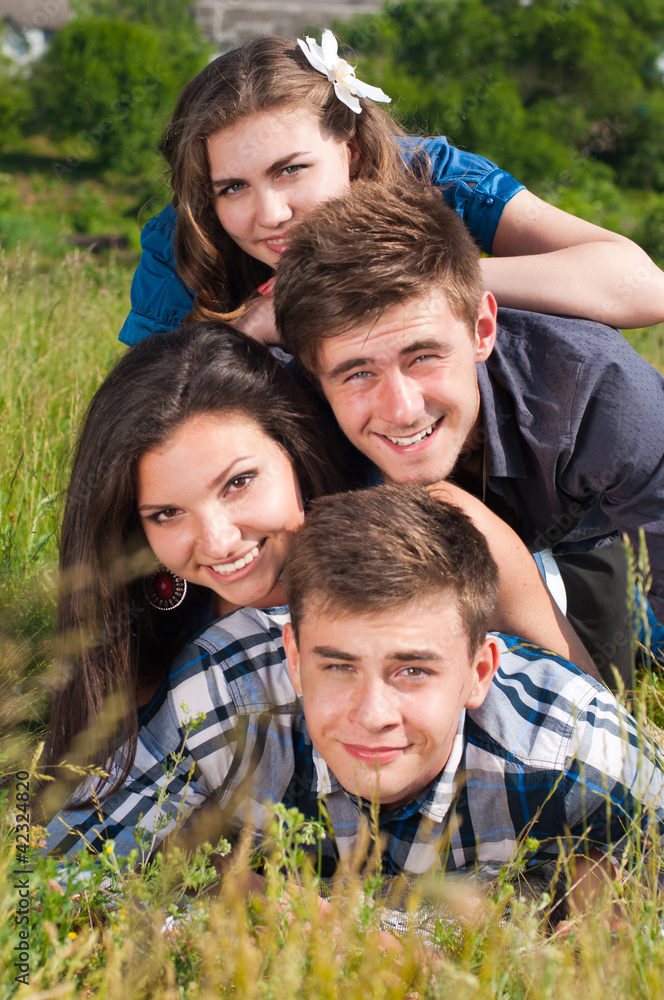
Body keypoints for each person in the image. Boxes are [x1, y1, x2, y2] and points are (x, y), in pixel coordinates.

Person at [43, 323, 593, 854]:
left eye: (239, 483)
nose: (218, 541)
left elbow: (588, 712)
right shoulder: (152, 624)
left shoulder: (439, 536)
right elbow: (113, 815)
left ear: (293, 454)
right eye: (167, 513)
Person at [49, 485, 664, 912]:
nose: (371, 716)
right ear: (292, 654)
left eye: (413, 672)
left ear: (480, 670)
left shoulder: (576, 750)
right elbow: (46, 878)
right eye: (338, 666)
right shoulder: (226, 692)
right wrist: (274, 907)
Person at [273, 180, 664, 689]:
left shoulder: (598, 391)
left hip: (576, 528)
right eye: (357, 373)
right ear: (313, 373)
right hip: (410, 534)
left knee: (607, 682)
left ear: (481, 330)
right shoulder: (290, 414)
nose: (403, 409)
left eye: (424, 356)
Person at [118, 31, 664, 348]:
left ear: (350, 148)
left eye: (291, 170)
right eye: (233, 186)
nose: (270, 213)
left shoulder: (433, 175)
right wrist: (253, 330)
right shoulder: (185, 237)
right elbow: (149, 414)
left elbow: (642, 287)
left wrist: (398, 277)